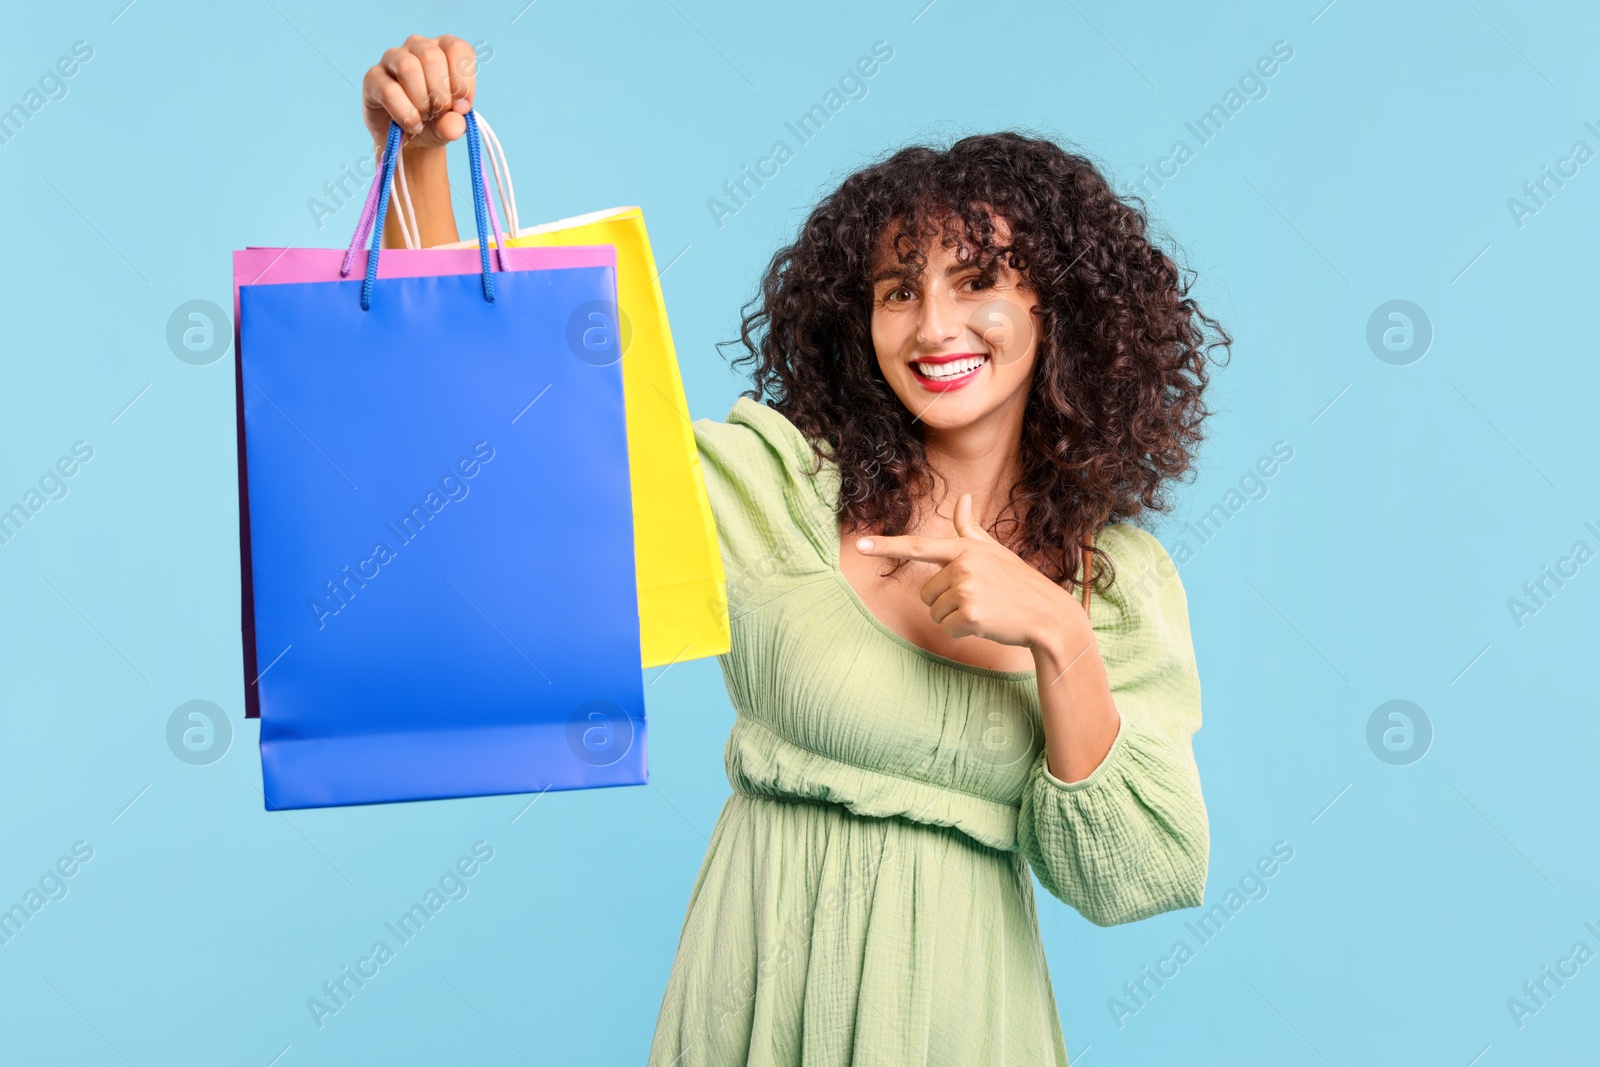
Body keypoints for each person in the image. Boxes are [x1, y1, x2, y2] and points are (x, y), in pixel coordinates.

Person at [361, 34, 1230, 1066]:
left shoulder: (1114, 587)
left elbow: (1133, 877)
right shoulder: (773, 488)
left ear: (1058, 309)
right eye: (897, 289)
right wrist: (420, 163)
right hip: (752, 1001)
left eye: (977, 281)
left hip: (962, 1021)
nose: (932, 324)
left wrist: (1055, 632)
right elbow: (506, 482)